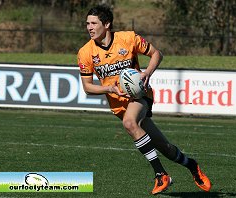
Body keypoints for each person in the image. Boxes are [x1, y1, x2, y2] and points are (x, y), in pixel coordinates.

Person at [77, 5, 211, 195]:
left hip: (141, 96)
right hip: (118, 105)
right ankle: (192, 165)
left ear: (106, 24)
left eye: (93, 23)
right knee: (165, 147)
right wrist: (108, 88)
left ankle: (160, 174)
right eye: (87, 23)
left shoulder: (128, 38)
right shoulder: (85, 52)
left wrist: (147, 72)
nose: (89, 27)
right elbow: (87, 87)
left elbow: (157, 54)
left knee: (130, 122)